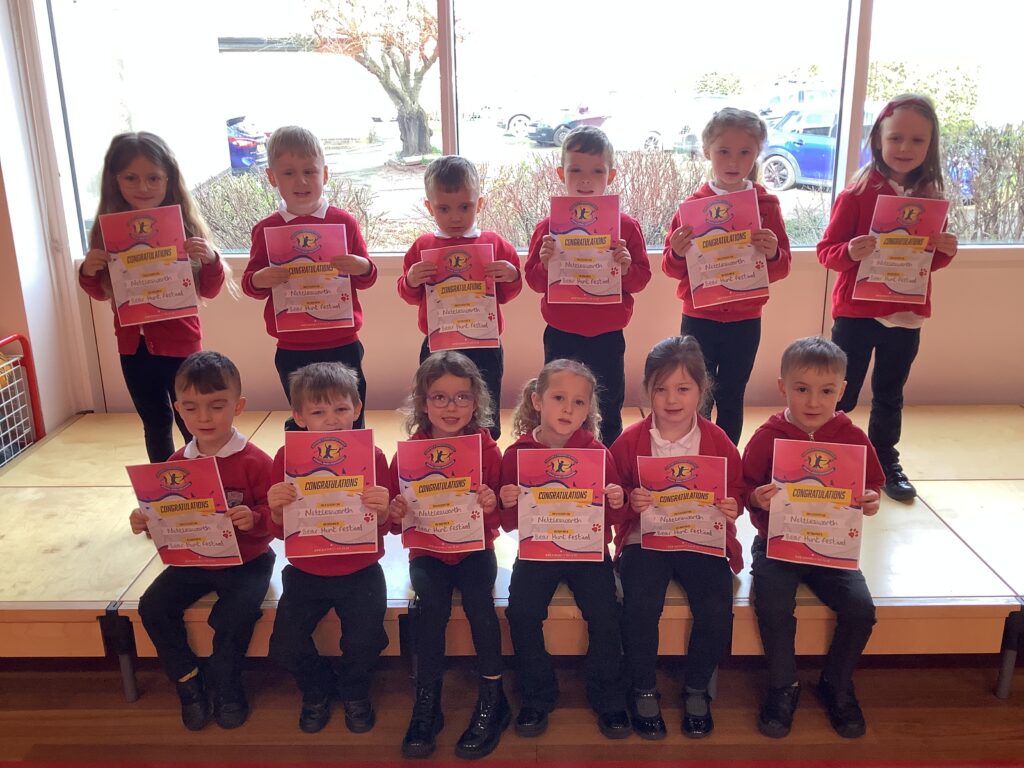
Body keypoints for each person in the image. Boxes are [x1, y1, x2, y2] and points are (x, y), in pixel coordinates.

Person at [741, 336, 884, 739]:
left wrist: (870, 500)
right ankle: (783, 686)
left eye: (826, 391)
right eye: (802, 389)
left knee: (861, 609)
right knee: (772, 604)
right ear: (783, 387)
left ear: (842, 390)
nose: (814, 401)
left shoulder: (852, 437)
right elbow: (743, 485)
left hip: (832, 549)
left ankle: (836, 684)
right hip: (777, 544)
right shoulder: (768, 435)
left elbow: (873, 484)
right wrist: (755, 498)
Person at [817, 94, 958, 501]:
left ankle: (884, 460)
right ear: (878, 139)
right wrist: (850, 251)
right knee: (841, 390)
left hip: (905, 314)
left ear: (930, 145)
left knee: (890, 394)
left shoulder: (931, 197)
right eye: (896, 138)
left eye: (917, 140)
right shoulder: (856, 194)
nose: (905, 148)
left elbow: (927, 262)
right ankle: (829, 455)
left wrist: (945, 250)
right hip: (856, 314)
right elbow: (827, 252)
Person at [129, 351, 275, 730]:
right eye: (192, 408)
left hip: (248, 560)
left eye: (217, 406)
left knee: (233, 615)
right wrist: (146, 521)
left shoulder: (256, 461)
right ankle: (188, 681)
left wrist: (256, 518)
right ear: (179, 410)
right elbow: (167, 516)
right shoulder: (176, 462)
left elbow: (276, 518)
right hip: (194, 559)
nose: (204, 417)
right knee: (152, 606)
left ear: (238, 406)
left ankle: (227, 684)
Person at [609, 336, 743, 740]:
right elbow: (613, 498)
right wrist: (629, 501)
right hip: (645, 540)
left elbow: (737, 490)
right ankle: (643, 686)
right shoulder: (629, 441)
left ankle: (697, 687)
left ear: (702, 390)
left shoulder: (717, 440)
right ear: (647, 390)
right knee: (639, 604)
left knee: (716, 605)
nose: (671, 399)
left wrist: (732, 506)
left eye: (683, 388)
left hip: (700, 538)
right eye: (661, 389)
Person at [498, 359, 631, 739]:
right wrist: (507, 503)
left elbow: (615, 518)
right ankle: (537, 694)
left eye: (578, 402)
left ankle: (607, 694)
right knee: (521, 612)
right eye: (559, 398)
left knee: (606, 612)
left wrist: (617, 500)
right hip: (537, 552)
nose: (568, 409)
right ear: (537, 400)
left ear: (588, 411)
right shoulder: (517, 454)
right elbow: (508, 525)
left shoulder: (597, 453)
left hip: (588, 553)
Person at [387, 351, 508, 759]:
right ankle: (428, 702)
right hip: (427, 551)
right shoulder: (406, 454)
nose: (451, 407)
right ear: (423, 403)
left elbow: (502, 514)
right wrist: (395, 512)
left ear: (476, 402)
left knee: (479, 604)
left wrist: (491, 504)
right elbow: (394, 520)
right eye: (439, 397)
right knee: (430, 607)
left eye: (461, 397)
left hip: (475, 548)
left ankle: (493, 696)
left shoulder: (488, 451)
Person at [80, 132, 226, 462]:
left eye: (153, 178)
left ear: (168, 179)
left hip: (181, 345)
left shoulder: (184, 227)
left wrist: (211, 260)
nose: (143, 187)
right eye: (131, 177)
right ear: (114, 180)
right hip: (134, 349)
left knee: (193, 423)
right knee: (155, 423)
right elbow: (101, 291)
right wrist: (88, 271)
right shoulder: (107, 231)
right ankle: (166, 485)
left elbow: (209, 289)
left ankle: (205, 481)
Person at [265, 363, 393, 735]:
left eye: (340, 409)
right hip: (306, 570)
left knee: (367, 640)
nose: (332, 420)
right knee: (285, 644)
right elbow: (277, 531)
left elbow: (385, 527)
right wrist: (276, 510)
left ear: (357, 408)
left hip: (362, 569)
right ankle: (317, 689)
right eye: (318, 412)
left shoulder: (373, 457)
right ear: (299, 416)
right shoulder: (285, 460)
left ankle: (354, 689)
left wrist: (383, 511)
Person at [663, 108, 792, 445]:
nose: (733, 161)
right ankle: (698, 454)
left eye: (745, 152)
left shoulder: (766, 205)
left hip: (745, 319)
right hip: (699, 317)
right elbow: (670, 268)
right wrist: (677, 252)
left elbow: (782, 267)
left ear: (757, 153)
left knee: (733, 394)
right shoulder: (692, 206)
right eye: (723, 151)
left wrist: (772, 253)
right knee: (696, 393)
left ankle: (727, 457)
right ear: (707, 152)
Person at [524, 126, 652, 446]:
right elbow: (534, 281)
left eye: (597, 171)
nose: (585, 180)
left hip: (607, 334)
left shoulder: (626, 227)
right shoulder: (548, 228)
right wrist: (545, 263)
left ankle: (608, 463)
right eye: (575, 170)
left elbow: (641, 279)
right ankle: (558, 459)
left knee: (607, 405)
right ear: (561, 173)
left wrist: (625, 268)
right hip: (561, 332)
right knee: (558, 406)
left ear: (611, 176)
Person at [242, 125, 377, 428]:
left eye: (309, 171)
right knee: (306, 418)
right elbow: (251, 283)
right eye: (288, 173)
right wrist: (261, 278)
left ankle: (356, 458)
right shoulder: (266, 229)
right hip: (293, 345)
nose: (301, 181)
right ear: (272, 177)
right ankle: (304, 454)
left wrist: (362, 266)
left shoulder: (344, 222)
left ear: (325, 174)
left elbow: (367, 276)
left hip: (342, 341)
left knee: (350, 416)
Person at [398, 155, 522, 439]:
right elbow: (409, 294)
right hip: (438, 345)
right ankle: (436, 449)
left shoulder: (494, 244)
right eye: (444, 208)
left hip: (485, 344)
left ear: (480, 203)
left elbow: (507, 294)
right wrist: (411, 280)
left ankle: (486, 452)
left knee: (485, 404)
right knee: (436, 402)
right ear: (429, 207)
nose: (455, 217)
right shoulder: (422, 246)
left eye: (465, 207)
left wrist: (512, 275)